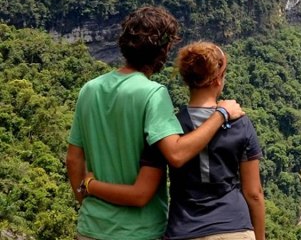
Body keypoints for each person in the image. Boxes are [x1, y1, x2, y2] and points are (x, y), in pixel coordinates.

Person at [66, 6, 244, 240]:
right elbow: (177, 154)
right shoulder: (153, 94)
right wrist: (221, 113)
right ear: (161, 50)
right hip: (140, 231)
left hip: (91, 228)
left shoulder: (89, 90)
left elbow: (73, 158)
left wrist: (86, 193)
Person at [85, 40, 266, 240]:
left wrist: (90, 185)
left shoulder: (168, 128)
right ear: (217, 80)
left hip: (185, 230)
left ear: (186, 80)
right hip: (235, 227)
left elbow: (143, 189)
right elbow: (253, 193)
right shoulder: (241, 123)